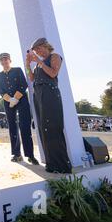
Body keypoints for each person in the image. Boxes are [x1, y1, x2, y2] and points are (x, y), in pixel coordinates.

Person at [26, 38, 72, 174]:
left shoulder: (55, 57)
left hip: (50, 94)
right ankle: (51, 164)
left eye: (39, 49)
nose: (38, 52)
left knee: (53, 128)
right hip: (38, 96)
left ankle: (62, 165)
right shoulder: (37, 65)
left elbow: (53, 73)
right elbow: (32, 78)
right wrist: (28, 64)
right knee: (43, 129)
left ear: (45, 46)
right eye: (35, 51)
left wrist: (39, 61)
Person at [0, 53, 39, 164]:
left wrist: (15, 98)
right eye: (2, 60)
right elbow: (1, 90)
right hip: (8, 102)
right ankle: (16, 154)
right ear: (0, 62)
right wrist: (10, 100)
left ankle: (30, 155)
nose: (4, 61)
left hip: (21, 100)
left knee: (25, 126)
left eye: (6, 59)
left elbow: (23, 85)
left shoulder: (17, 70)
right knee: (12, 127)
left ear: (10, 60)